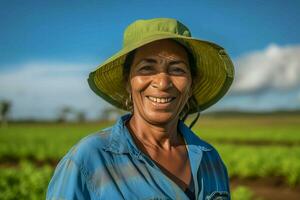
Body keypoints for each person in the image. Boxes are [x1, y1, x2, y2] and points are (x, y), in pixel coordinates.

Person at [47, 18, 234, 200]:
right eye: (147, 68)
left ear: (191, 85)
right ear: (128, 83)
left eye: (177, 69)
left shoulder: (211, 160)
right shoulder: (89, 160)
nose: (162, 82)